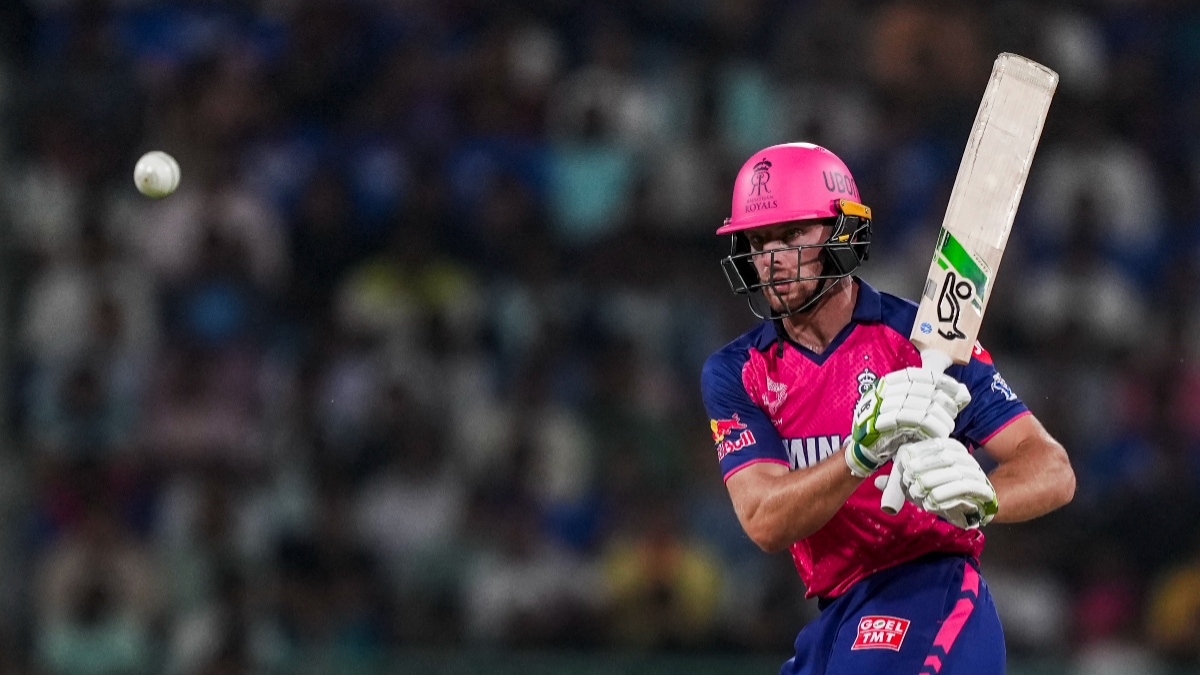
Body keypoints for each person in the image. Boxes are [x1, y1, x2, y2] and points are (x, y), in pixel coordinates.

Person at [700, 143, 1075, 674]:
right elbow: (764, 520)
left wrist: (985, 498)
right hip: (835, 615)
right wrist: (860, 454)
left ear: (841, 233)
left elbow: (1052, 468)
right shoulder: (739, 372)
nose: (772, 258)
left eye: (792, 234)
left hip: (928, 587)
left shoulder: (928, 341)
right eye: (759, 241)